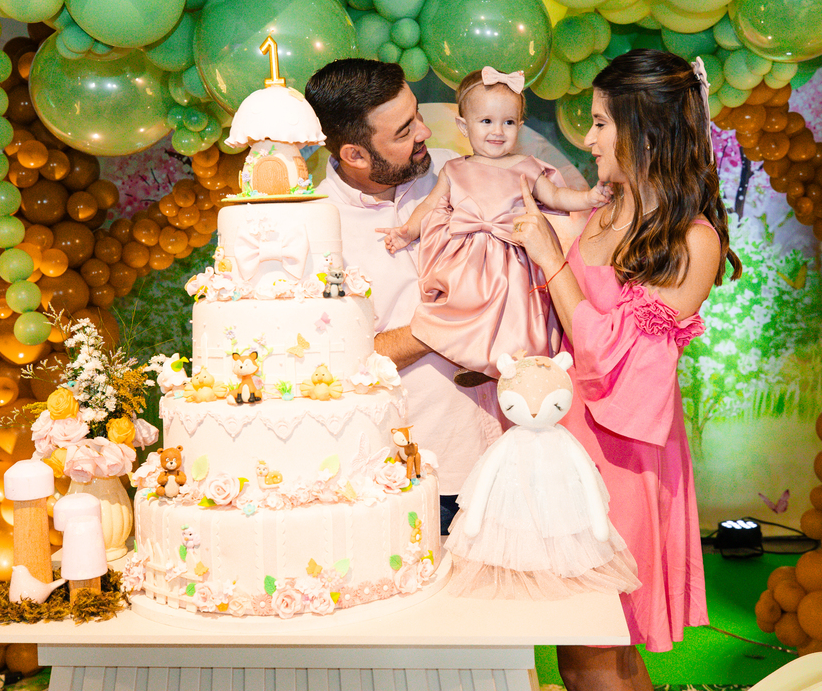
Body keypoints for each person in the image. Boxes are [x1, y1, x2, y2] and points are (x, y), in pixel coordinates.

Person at [510, 49, 742, 691]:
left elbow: (616, 356)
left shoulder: (693, 239)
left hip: (624, 453)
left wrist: (551, 258)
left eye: (600, 123)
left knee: (593, 649)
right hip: (567, 442)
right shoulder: (602, 209)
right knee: (586, 648)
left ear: (645, 130)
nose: (587, 139)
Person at [303, 58, 503, 534]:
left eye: (417, 116)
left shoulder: (459, 177)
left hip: (509, 448)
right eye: (404, 130)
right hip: (419, 472)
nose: (424, 133)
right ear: (355, 154)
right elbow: (336, 363)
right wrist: (447, 322)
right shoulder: (315, 231)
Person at [377, 67, 610, 382]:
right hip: (467, 260)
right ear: (464, 126)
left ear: (520, 127)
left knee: (516, 312)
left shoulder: (526, 167)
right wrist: (407, 231)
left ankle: (514, 363)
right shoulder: (453, 169)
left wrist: (588, 197)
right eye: (486, 121)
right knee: (462, 307)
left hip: (510, 258)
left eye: (508, 122)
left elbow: (556, 196)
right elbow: (430, 205)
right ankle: (473, 359)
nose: (498, 131)